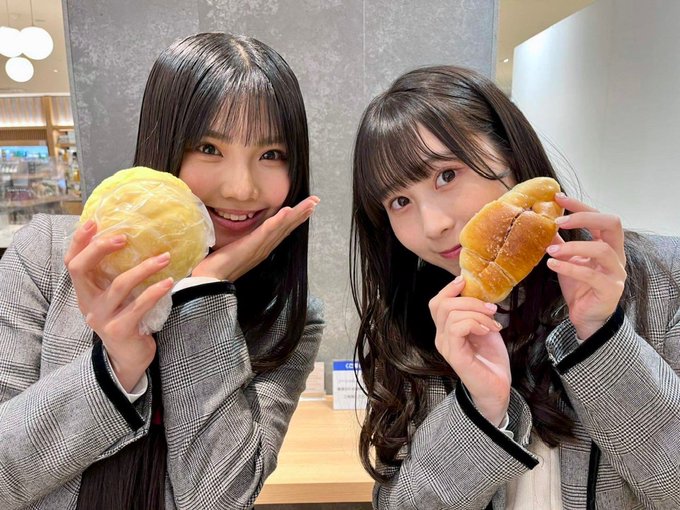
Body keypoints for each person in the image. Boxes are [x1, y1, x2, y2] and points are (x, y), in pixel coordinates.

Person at [0, 32, 323, 510]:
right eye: (209, 148)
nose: (241, 188)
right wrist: (116, 367)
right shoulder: (48, 255)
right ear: (164, 142)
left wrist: (203, 291)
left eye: (271, 155)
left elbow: (219, 499)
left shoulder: (289, 317)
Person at [350, 65, 679, 509]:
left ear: (512, 152)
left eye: (446, 175)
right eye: (400, 201)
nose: (433, 225)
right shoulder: (412, 325)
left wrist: (603, 340)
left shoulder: (661, 279)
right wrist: (480, 409)